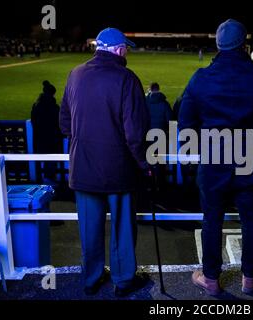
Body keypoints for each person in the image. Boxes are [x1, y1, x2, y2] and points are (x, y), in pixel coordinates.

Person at [179, 19, 253, 295]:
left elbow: (185, 126)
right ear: (244, 44)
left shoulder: (200, 78)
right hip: (246, 157)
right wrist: (250, 141)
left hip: (213, 159)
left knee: (212, 219)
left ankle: (211, 279)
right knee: (250, 218)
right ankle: (250, 279)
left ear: (218, 45)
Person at [59, 27, 151, 297]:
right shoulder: (126, 78)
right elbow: (135, 132)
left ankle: (91, 279)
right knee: (122, 228)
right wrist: (144, 163)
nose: (127, 53)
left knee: (89, 228)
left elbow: (64, 122)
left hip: (84, 168)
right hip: (118, 170)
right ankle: (122, 281)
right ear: (118, 49)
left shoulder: (75, 74)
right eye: (126, 48)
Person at [31, 81, 63, 183]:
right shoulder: (54, 107)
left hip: (39, 142)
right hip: (52, 142)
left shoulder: (36, 106)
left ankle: (47, 179)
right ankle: (50, 180)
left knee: (48, 157)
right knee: (52, 156)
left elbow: (34, 122)